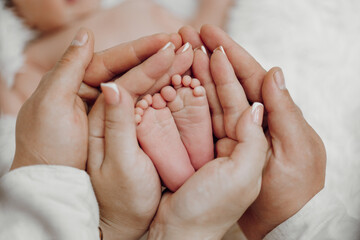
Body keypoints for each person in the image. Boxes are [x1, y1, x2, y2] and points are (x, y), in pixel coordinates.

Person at [1, 0, 233, 116]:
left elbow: (200, 32)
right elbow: (26, 111)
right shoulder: (40, 52)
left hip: (189, 67)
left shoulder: (128, 7)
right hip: (135, 110)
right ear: (16, 9)